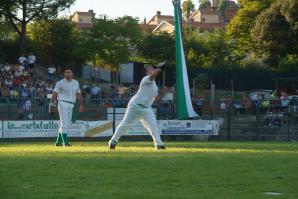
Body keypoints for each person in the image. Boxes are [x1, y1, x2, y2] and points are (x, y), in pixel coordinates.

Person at [108, 61, 168, 150]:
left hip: (147, 108)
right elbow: (154, 75)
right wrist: (161, 68)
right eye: (150, 69)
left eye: (153, 68)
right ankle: (112, 141)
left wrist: (162, 94)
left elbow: (155, 100)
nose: (153, 69)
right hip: (135, 106)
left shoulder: (154, 85)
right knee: (125, 125)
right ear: (147, 73)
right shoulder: (146, 79)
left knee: (153, 126)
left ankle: (158, 144)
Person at [50, 68, 84, 147]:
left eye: (70, 72)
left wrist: (81, 104)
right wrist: (51, 106)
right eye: (66, 72)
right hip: (62, 103)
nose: (68, 73)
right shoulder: (60, 83)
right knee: (64, 124)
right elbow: (54, 94)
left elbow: (78, 94)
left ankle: (58, 142)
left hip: (71, 104)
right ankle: (65, 142)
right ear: (64, 74)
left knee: (67, 124)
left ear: (72, 73)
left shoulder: (76, 82)